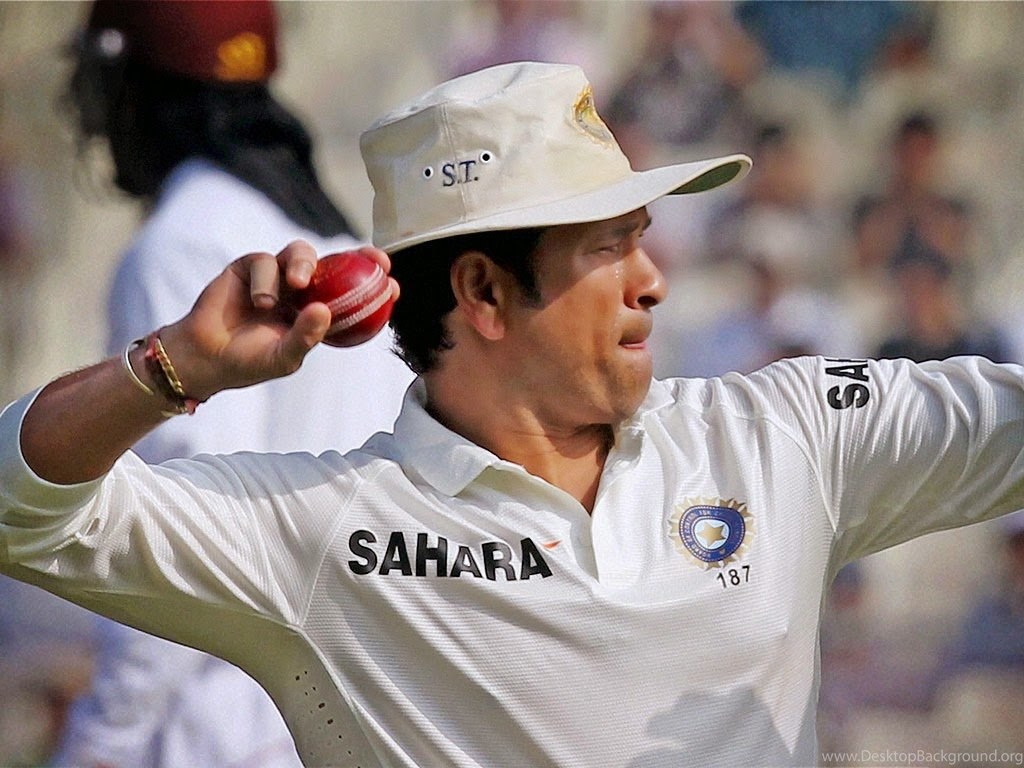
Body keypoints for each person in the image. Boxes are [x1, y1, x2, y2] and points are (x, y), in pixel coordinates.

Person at [3, 60, 1024, 768]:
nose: (653, 280)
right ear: (484, 293)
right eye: (609, 247)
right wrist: (172, 368)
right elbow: (21, 511)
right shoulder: (318, 527)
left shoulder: (784, 434)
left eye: (644, 236)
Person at [47, 2, 413, 766]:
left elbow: (174, 548)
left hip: (227, 730)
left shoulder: (180, 244)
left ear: (133, 84)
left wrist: (102, 741)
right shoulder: (324, 230)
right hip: (353, 711)